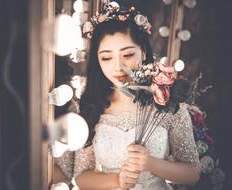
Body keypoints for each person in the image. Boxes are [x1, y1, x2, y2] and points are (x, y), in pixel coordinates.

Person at [56, 2, 200, 190]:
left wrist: (150, 163)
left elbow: (192, 174)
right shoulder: (91, 106)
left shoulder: (169, 103)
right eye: (106, 57)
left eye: (128, 54)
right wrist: (118, 181)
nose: (118, 67)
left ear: (144, 51)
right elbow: (81, 177)